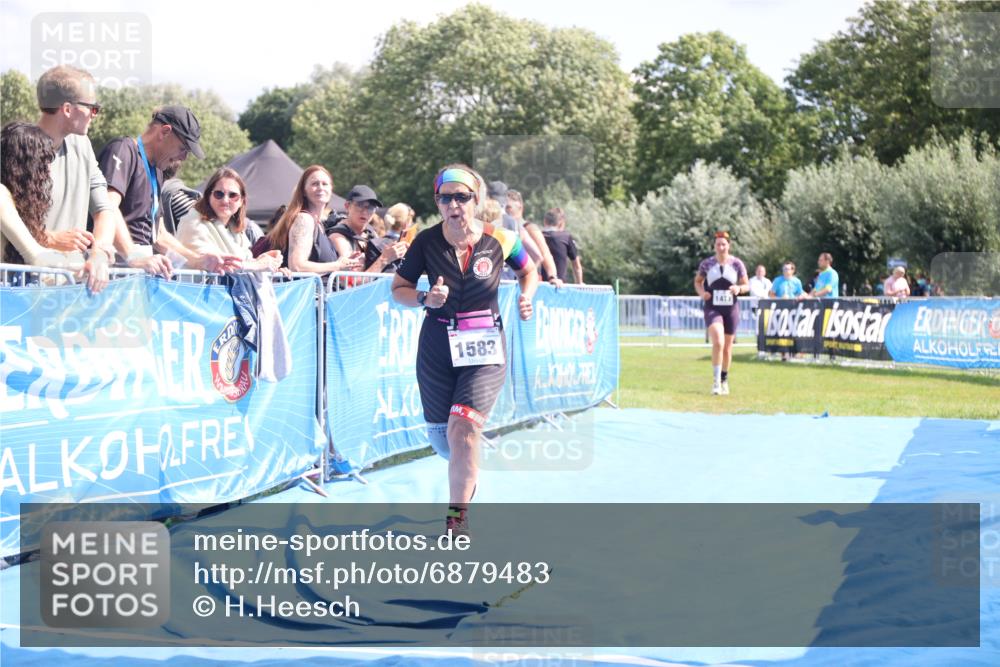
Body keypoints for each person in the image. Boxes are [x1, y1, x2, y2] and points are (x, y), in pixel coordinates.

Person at [391, 164, 538, 535]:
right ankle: (467, 471)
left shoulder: (501, 239)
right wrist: (426, 297)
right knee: (445, 441)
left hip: (485, 346)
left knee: (462, 430)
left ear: (477, 200)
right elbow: (398, 290)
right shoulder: (424, 241)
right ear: (437, 202)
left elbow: (529, 270)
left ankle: (457, 521)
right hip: (437, 347)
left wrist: (526, 295)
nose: (454, 205)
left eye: (462, 197)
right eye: (446, 198)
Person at [96, 105, 239, 273]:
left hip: (135, 270)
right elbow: (108, 206)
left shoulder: (157, 171)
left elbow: (159, 235)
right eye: (183, 148)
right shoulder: (123, 149)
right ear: (164, 132)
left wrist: (197, 261)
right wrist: (133, 256)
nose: (184, 157)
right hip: (113, 268)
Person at [1, 122, 85, 272]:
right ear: (26, 166)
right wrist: (82, 267)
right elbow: (36, 256)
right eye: (43, 163)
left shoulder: (17, 201)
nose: (47, 170)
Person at [176, 167, 285, 273]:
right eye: (219, 194)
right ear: (209, 196)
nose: (225, 200)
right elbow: (213, 263)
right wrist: (258, 264)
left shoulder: (236, 230)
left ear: (241, 201)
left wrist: (269, 267)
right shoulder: (193, 222)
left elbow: (243, 265)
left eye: (233, 195)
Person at [263, 166, 362, 275]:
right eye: (315, 184)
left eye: (325, 184)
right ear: (304, 191)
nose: (320, 187)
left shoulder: (319, 224)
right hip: (306, 291)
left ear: (331, 189)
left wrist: (345, 263)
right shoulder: (304, 220)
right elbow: (296, 266)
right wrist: (337, 265)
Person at [694, 231, 749, 396]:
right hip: (713, 307)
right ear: (714, 246)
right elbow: (698, 281)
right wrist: (702, 293)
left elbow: (747, 285)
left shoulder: (737, 264)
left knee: (727, 348)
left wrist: (739, 288)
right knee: (718, 342)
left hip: (731, 308)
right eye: (718, 244)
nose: (721, 247)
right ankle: (716, 382)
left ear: (728, 246)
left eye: (724, 244)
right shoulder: (707, 264)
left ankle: (724, 379)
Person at [328, 185, 407, 273]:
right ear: (347, 206)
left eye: (371, 207)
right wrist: (384, 259)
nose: (365, 212)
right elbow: (353, 281)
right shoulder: (339, 237)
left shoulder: (370, 233)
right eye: (360, 205)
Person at [506, 189, 560, 284]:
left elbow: (545, 254)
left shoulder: (529, 228)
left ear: (520, 207)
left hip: (530, 282)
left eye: (509, 207)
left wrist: (552, 276)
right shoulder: (503, 227)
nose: (506, 211)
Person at [541, 208, 583, 284]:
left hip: (539, 286)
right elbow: (577, 266)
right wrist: (579, 283)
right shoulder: (566, 237)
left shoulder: (538, 237)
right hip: (560, 286)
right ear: (561, 223)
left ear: (545, 221)